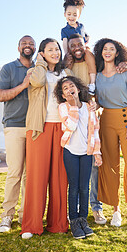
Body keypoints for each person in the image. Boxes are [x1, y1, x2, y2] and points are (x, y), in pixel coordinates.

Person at [64, 33, 127, 226]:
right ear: (68, 47)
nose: (76, 48)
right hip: (72, 120)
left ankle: (96, 208)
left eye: (80, 44)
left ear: (85, 45)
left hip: (92, 120)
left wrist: (125, 63)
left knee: (94, 166)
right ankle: (73, 211)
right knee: (73, 170)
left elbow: (109, 80)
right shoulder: (66, 66)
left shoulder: (94, 64)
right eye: (72, 45)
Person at [94, 38, 127, 228]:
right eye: (105, 49)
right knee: (109, 166)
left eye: (112, 49)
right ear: (101, 52)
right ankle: (115, 211)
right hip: (106, 121)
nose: (108, 51)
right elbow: (99, 101)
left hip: (126, 119)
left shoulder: (125, 71)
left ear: (117, 53)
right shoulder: (98, 77)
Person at [21, 38, 72, 239]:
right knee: (37, 177)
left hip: (61, 127)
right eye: (50, 50)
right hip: (39, 128)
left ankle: (58, 223)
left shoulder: (66, 73)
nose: (55, 52)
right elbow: (39, 82)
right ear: (42, 53)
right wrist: (40, 62)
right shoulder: (34, 71)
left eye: (57, 49)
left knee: (60, 177)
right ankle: (31, 225)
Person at [54, 76, 102, 239]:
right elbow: (70, 126)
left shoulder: (89, 107)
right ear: (62, 94)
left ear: (78, 89)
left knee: (84, 187)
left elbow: (95, 130)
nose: (68, 89)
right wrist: (73, 106)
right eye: (65, 88)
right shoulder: (63, 107)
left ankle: (83, 220)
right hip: (71, 152)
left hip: (86, 152)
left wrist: (97, 152)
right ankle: (74, 220)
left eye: (71, 86)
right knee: (74, 187)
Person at [0, 35, 36, 233]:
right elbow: (1, 95)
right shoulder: (8, 68)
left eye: (31, 44)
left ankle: (25, 215)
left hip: (35, 128)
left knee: (31, 176)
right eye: (24, 43)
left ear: (36, 48)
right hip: (14, 126)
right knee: (15, 173)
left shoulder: (39, 69)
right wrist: (23, 85)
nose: (28, 46)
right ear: (18, 47)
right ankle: (7, 216)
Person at [61, 0, 96, 93]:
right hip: (71, 51)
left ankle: (92, 83)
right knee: (68, 66)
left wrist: (87, 38)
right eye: (69, 14)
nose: (71, 17)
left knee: (89, 55)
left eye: (75, 15)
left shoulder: (81, 26)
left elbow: (86, 36)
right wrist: (66, 53)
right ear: (65, 14)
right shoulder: (64, 30)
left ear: (79, 15)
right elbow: (65, 42)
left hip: (83, 50)